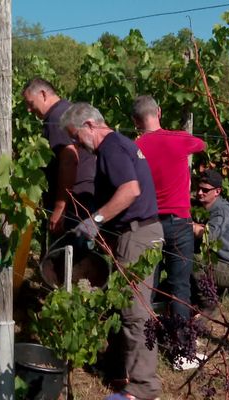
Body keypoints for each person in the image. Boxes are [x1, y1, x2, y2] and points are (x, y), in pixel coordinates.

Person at [60, 102, 162, 400]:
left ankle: (143, 389)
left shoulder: (111, 148)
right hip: (135, 234)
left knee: (135, 314)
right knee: (130, 309)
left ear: (90, 125)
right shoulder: (121, 144)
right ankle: (126, 375)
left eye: (76, 137)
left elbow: (130, 190)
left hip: (138, 235)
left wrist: (96, 221)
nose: (78, 144)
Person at [133, 95, 206, 370]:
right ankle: (182, 351)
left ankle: (140, 347)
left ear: (134, 121)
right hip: (179, 224)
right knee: (179, 287)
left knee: (145, 287)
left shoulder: (135, 147)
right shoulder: (179, 140)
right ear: (159, 112)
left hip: (148, 224)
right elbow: (201, 143)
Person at [22, 78, 95, 243]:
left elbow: (70, 159)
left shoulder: (56, 117)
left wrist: (60, 208)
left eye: (30, 103)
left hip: (72, 204)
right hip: (79, 200)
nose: (28, 109)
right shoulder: (65, 111)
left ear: (43, 94)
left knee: (67, 260)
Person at [192, 170, 229, 308]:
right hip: (211, 261)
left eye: (205, 190)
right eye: (198, 188)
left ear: (217, 191)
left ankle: (208, 302)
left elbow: (210, 236)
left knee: (191, 259)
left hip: (225, 268)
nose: (199, 192)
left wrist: (193, 228)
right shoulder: (199, 205)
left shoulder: (221, 211)